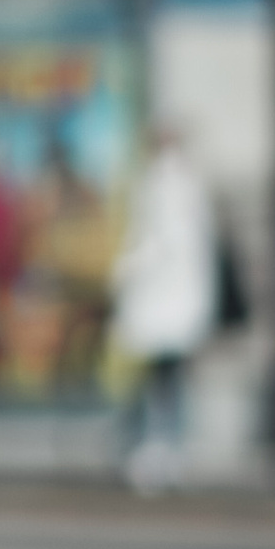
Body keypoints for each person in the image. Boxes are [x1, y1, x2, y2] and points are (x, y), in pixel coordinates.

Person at [113, 120, 219, 486]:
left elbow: (160, 243)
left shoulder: (162, 183)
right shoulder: (189, 183)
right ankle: (171, 447)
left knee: (156, 378)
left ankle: (157, 448)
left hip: (161, 301)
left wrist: (127, 269)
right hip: (178, 302)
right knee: (170, 377)